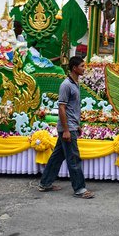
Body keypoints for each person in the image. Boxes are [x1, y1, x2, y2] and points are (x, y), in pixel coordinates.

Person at [38, 56, 94, 198]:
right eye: (82, 66)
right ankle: (79, 189)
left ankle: (45, 183)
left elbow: (72, 108)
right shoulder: (66, 85)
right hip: (67, 128)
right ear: (74, 68)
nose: (84, 68)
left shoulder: (75, 83)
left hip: (72, 126)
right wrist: (67, 130)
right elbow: (62, 109)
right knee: (73, 159)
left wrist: (77, 125)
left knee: (57, 156)